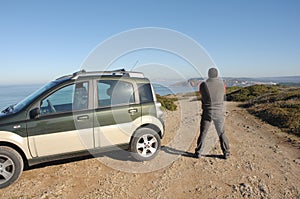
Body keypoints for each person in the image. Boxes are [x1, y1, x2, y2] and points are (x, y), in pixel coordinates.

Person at [195, 67, 230, 159]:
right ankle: (226, 152)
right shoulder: (222, 84)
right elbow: (223, 94)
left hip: (207, 112)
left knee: (203, 132)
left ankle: (198, 152)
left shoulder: (203, 85)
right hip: (219, 112)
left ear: (208, 75)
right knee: (221, 133)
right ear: (217, 75)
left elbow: (201, 93)